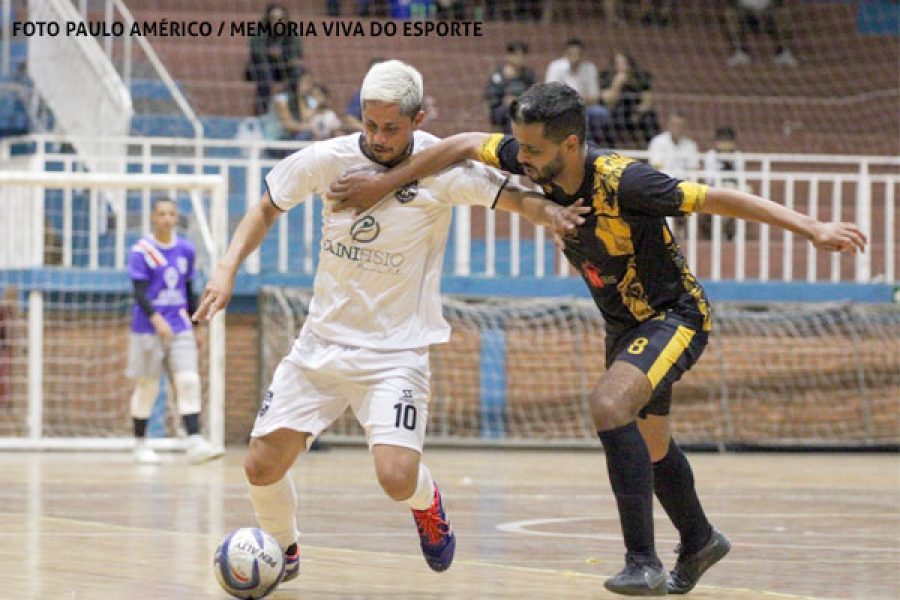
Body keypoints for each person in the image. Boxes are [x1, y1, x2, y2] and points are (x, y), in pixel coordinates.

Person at [326, 82, 867, 596]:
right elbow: (464, 144)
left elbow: (720, 199)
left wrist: (812, 228)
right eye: (520, 147)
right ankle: (700, 540)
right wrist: (382, 184)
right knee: (651, 443)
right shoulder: (529, 153)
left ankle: (643, 563)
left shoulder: (627, 181)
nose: (524, 160)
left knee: (610, 404)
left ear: (571, 142)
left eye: (534, 150)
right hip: (625, 327)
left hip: (674, 317)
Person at [192, 62, 587, 584]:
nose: (378, 138)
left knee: (396, 478)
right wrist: (225, 268)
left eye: (391, 128)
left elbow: (511, 197)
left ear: (418, 118)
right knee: (260, 466)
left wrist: (551, 216)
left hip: (395, 355)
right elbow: (267, 206)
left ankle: (428, 506)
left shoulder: (441, 166)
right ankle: (284, 552)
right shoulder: (328, 159)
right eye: (369, 125)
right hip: (321, 345)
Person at [126, 198, 223, 465]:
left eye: (171, 214)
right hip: (148, 328)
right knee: (147, 387)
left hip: (180, 326)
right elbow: (138, 292)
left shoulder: (185, 250)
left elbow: (190, 290)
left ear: (176, 217)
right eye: (161, 214)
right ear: (153, 217)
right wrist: (156, 319)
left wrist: (197, 325)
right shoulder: (142, 251)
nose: (167, 219)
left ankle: (194, 440)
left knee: (188, 380)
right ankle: (140, 442)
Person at [545, 38, 610, 148]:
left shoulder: (590, 68)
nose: (575, 58)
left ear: (584, 55)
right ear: (565, 54)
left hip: (585, 107)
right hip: (562, 108)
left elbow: (595, 97)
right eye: (571, 54)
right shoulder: (555, 67)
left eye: (578, 54)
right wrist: (576, 99)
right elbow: (551, 95)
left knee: (601, 113)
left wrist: (573, 99)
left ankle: (593, 146)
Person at [246, 3, 304, 114]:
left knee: (299, 72)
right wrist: (270, 54)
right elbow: (257, 54)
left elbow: (297, 54)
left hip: (283, 67)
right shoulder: (260, 31)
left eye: (281, 19)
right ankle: (261, 112)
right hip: (263, 67)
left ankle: (292, 108)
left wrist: (282, 57)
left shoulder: (292, 33)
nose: (278, 22)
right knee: (265, 74)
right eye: (274, 18)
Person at [598, 50, 660, 148]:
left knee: (650, 117)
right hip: (615, 112)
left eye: (624, 63)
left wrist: (638, 113)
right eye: (618, 63)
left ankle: (653, 148)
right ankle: (610, 150)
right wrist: (617, 84)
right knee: (605, 120)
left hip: (635, 112)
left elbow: (647, 100)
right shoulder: (606, 77)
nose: (621, 66)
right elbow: (609, 102)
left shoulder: (640, 77)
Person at [725, 0, 797, 67]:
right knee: (730, 13)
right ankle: (741, 52)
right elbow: (731, 3)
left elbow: (779, 2)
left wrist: (769, 9)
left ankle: (782, 52)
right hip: (746, 14)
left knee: (783, 13)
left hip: (768, 13)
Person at [485, 40, 535, 134]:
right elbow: (492, 97)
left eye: (522, 55)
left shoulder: (528, 75)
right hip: (503, 110)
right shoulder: (498, 76)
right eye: (516, 55)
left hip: (522, 108)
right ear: (509, 56)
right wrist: (505, 101)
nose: (519, 58)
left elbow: (532, 95)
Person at [648, 111, 699, 182]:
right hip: (663, 183)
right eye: (674, 125)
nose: (677, 128)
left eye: (680, 125)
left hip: (684, 185)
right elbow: (655, 167)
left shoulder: (690, 145)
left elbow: (694, 168)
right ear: (668, 125)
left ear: (685, 127)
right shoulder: (658, 142)